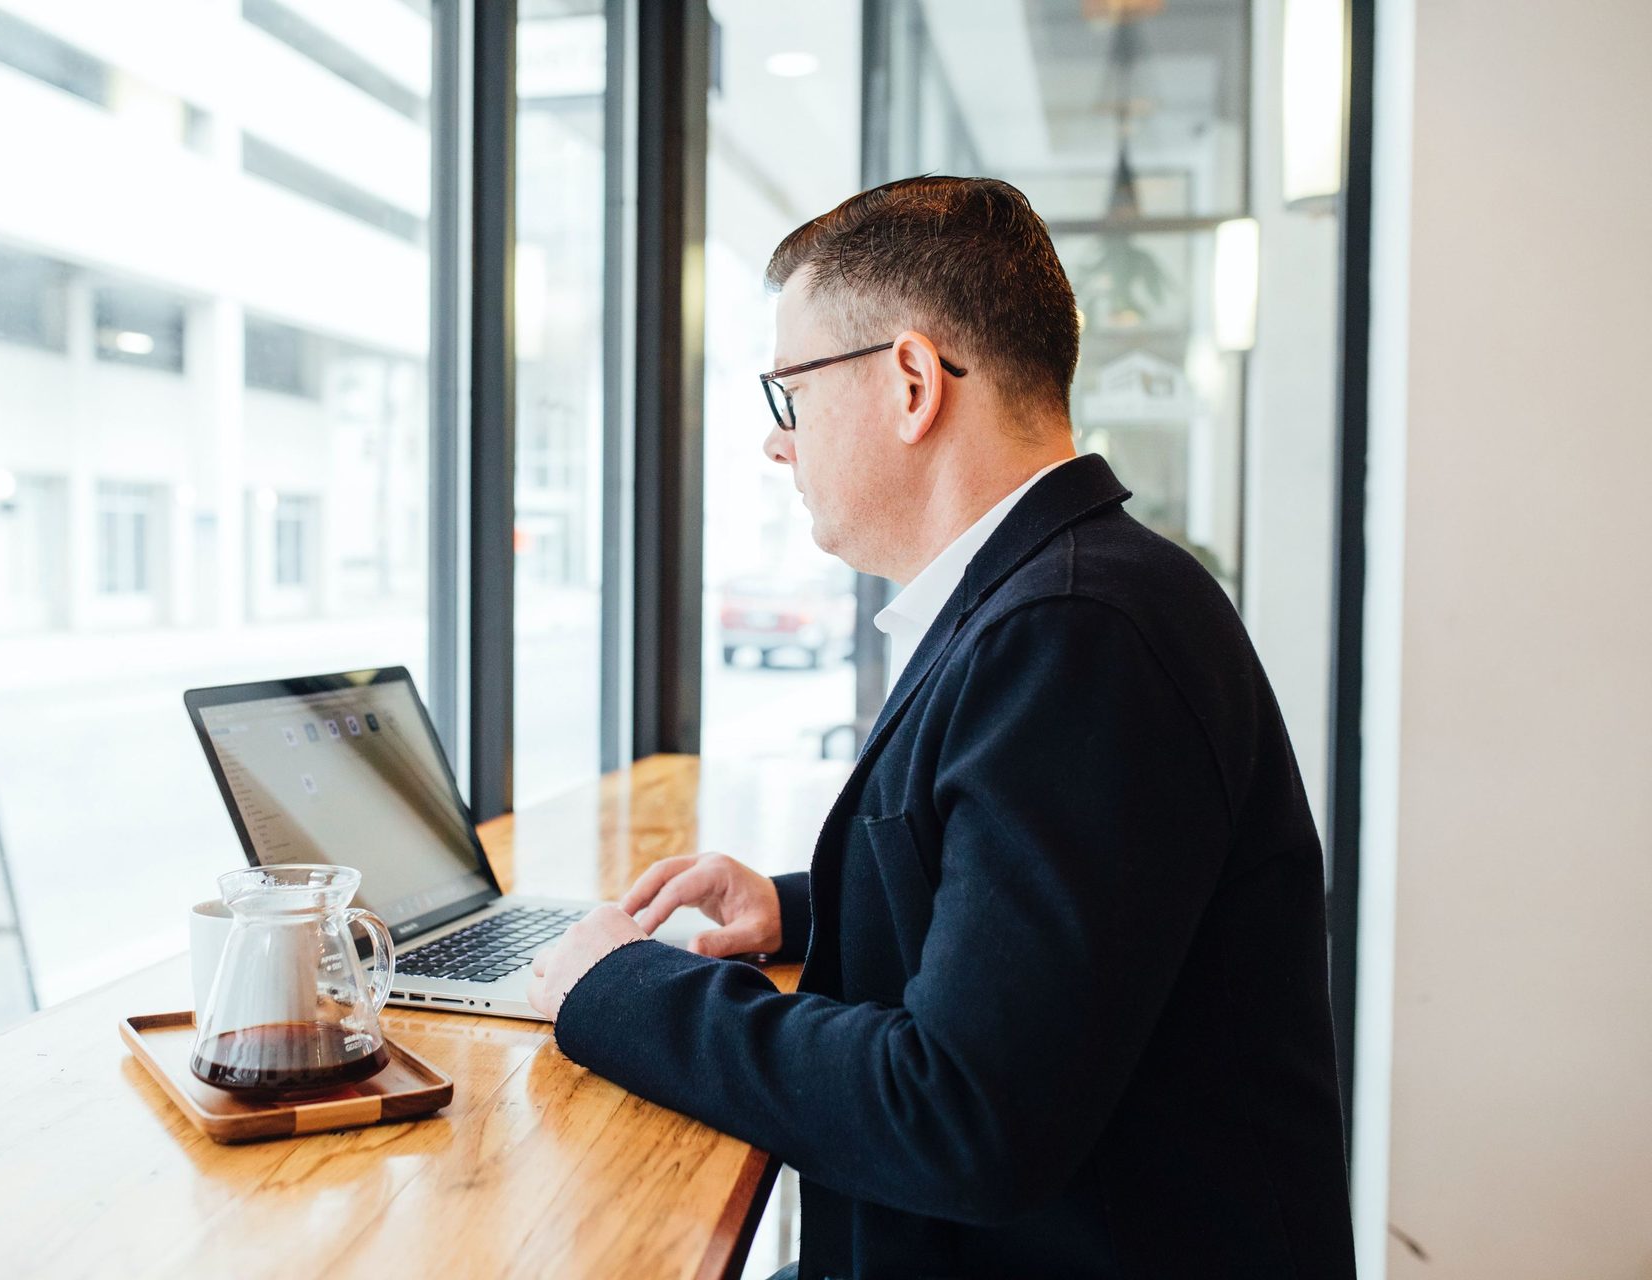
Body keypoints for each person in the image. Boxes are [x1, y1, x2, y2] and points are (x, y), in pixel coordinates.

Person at [527, 176, 1356, 1279]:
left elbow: (960, 1113)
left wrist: (619, 989)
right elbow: (1048, 908)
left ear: (912, 381)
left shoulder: (1077, 631)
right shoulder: (1072, 593)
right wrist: (792, 905)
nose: (780, 446)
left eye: (792, 395)